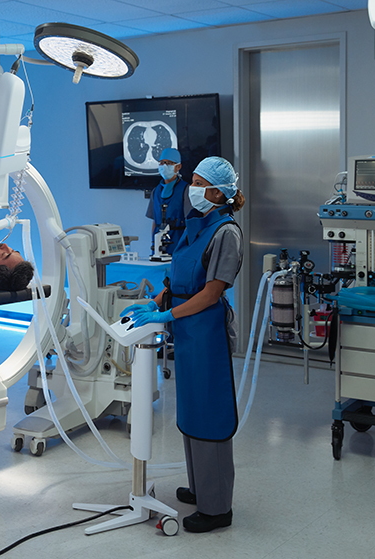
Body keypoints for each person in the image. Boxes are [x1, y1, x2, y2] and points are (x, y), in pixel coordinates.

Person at [122, 156, 244, 533]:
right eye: (192, 181)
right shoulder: (196, 226)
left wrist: (167, 316)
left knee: (209, 413)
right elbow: (177, 281)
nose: (192, 188)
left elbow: (210, 293)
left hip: (206, 333)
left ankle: (217, 507)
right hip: (187, 332)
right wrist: (155, 302)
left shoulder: (226, 233)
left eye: (199, 183)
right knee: (190, 410)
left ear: (219, 192)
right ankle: (200, 487)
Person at [145, 147, 191, 257]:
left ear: (178, 167)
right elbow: (155, 222)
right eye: (162, 163)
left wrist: (184, 247)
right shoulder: (156, 191)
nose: (164, 166)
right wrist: (154, 244)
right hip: (158, 247)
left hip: (178, 245)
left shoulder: (185, 190)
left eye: (169, 163)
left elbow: (190, 222)